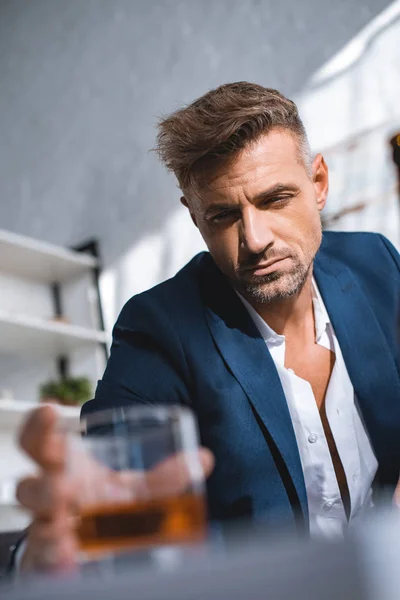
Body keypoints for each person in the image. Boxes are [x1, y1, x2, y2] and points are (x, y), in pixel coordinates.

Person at [15, 82, 400, 572]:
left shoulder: (378, 263)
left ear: (319, 182)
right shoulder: (159, 328)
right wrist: (41, 557)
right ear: (194, 218)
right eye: (223, 215)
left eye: (275, 198)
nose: (256, 240)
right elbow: (103, 491)